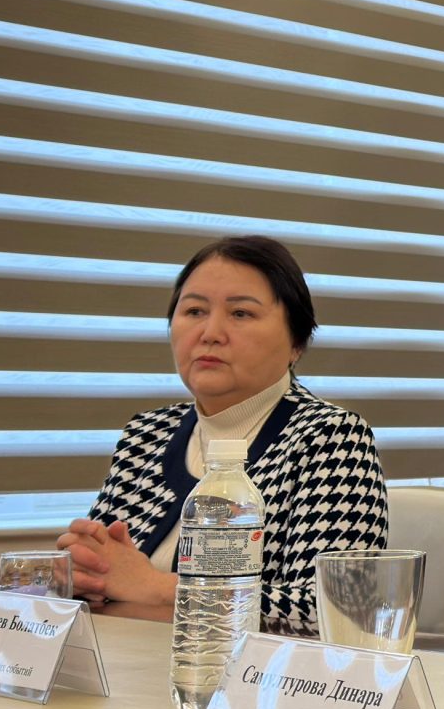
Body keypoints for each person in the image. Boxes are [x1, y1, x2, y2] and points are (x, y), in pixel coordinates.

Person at [59, 235, 388, 635]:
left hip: (250, 672)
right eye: (194, 311)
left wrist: (158, 588)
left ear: (297, 342)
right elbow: (108, 573)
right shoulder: (147, 434)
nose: (210, 332)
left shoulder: (331, 437)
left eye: (241, 313)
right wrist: (79, 572)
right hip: (127, 660)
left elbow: (338, 610)